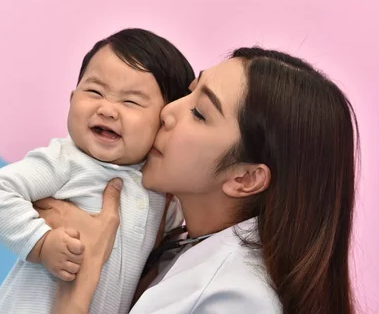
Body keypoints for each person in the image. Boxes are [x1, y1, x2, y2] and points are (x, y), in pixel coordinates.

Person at [36, 47, 360, 314]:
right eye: (189, 93)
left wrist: (78, 286)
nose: (166, 112)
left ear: (245, 177)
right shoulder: (177, 238)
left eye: (200, 113)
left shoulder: (237, 301)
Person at [0, 28, 195, 314]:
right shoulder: (65, 160)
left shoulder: (158, 188)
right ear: (71, 99)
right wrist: (42, 243)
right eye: (94, 91)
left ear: (164, 121)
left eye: (130, 102)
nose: (107, 109)